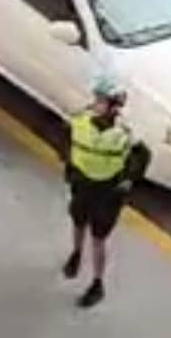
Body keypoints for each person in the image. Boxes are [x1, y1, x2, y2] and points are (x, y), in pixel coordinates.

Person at [61, 77, 150, 308]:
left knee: (98, 238)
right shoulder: (81, 119)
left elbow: (141, 156)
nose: (96, 104)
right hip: (82, 183)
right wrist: (70, 166)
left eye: (101, 101)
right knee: (78, 221)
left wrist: (129, 180)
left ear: (114, 107)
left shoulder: (125, 132)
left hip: (108, 190)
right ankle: (76, 254)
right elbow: (67, 138)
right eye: (96, 99)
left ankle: (97, 283)